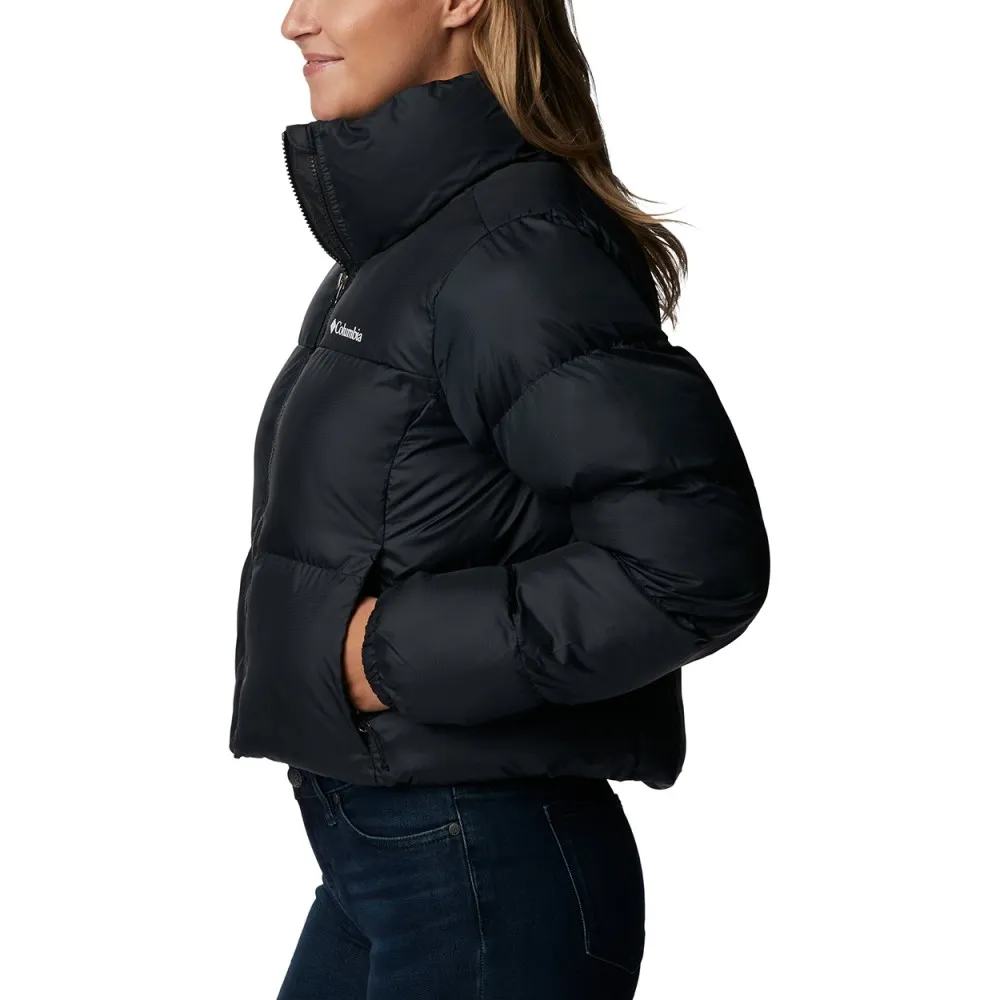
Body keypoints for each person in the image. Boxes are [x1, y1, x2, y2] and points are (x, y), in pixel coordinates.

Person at [229, 1, 770, 996]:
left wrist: (386, 654)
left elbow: (692, 563)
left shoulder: (515, 253)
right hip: (392, 854)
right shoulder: (411, 250)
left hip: (480, 861)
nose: (295, 21)